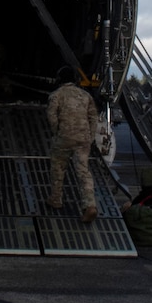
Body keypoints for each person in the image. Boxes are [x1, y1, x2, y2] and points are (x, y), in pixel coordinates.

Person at [45, 66, 99, 223]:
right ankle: (90, 205)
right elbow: (93, 117)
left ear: (60, 79)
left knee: (58, 167)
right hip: (83, 139)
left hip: (64, 137)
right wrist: (90, 136)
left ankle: (56, 199)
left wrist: (57, 132)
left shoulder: (56, 95)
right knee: (83, 171)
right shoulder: (86, 95)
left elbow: (51, 116)